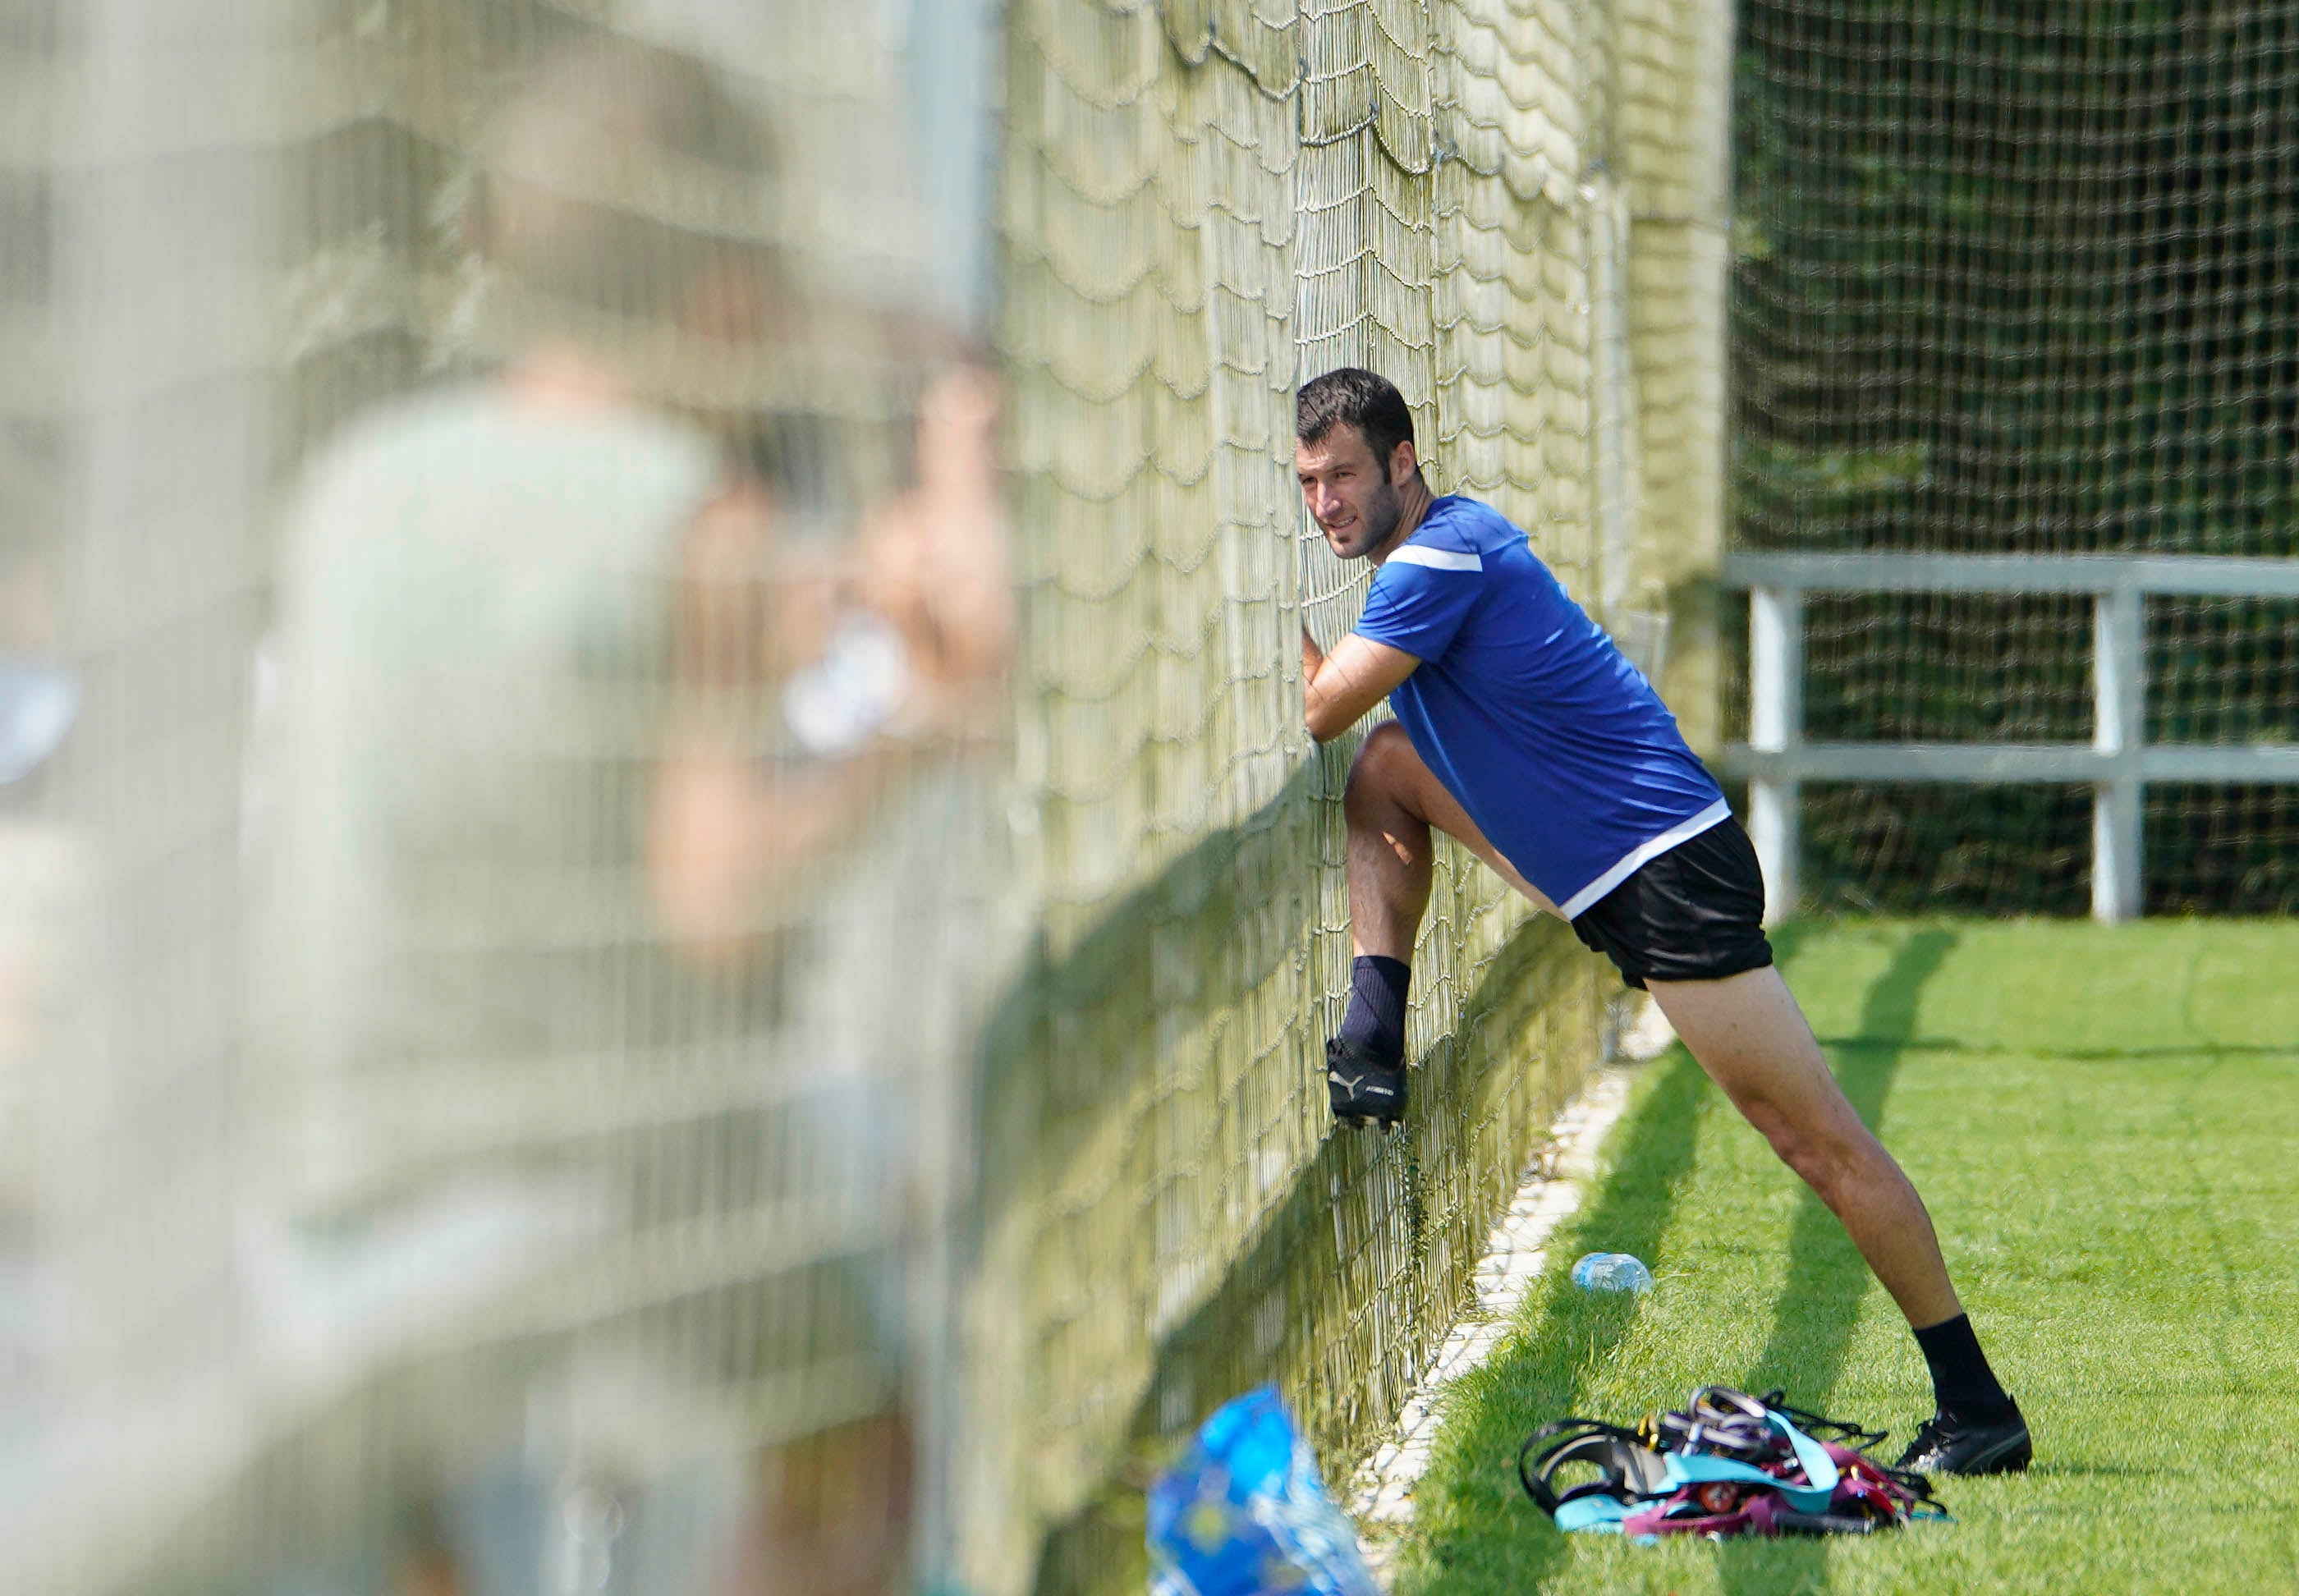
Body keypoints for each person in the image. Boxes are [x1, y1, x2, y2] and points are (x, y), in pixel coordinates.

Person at [1292, 367, 2029, 1477]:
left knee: (1815, 1141)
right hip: (1613, 875)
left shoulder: (1443, 552)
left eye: (1343, 473)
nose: (1325, 502)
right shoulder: (1438, 551)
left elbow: (1319, 708)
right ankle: (1373, 1031)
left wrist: (1252, 631)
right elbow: (1370, 737)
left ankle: (1979, 1409)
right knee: (1388, 771)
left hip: (1668, 872)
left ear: (1402, 462)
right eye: (1306, 482)